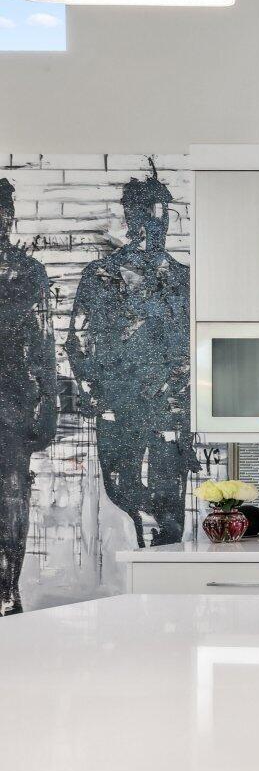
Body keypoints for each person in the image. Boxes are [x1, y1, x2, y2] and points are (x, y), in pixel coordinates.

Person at [68, 170, 193, 551]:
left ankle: (166, 579)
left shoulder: (184, 279)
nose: (158, 221)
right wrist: (94, 390)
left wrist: (183, 385)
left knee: (170, 506)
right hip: (117, 405)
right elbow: (77, 340)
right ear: (130, 218)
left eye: (163, 213)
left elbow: (200, 344)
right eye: (149, 213)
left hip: (169, 410)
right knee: (121, 491)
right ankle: (142, 559)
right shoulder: (99, 275)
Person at [0, 177, 60, 614]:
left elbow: (45, 342)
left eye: (4, 210)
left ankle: (7, 590)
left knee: (11, 495)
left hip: (13, 403)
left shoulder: (28, 272)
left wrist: (49, 403)